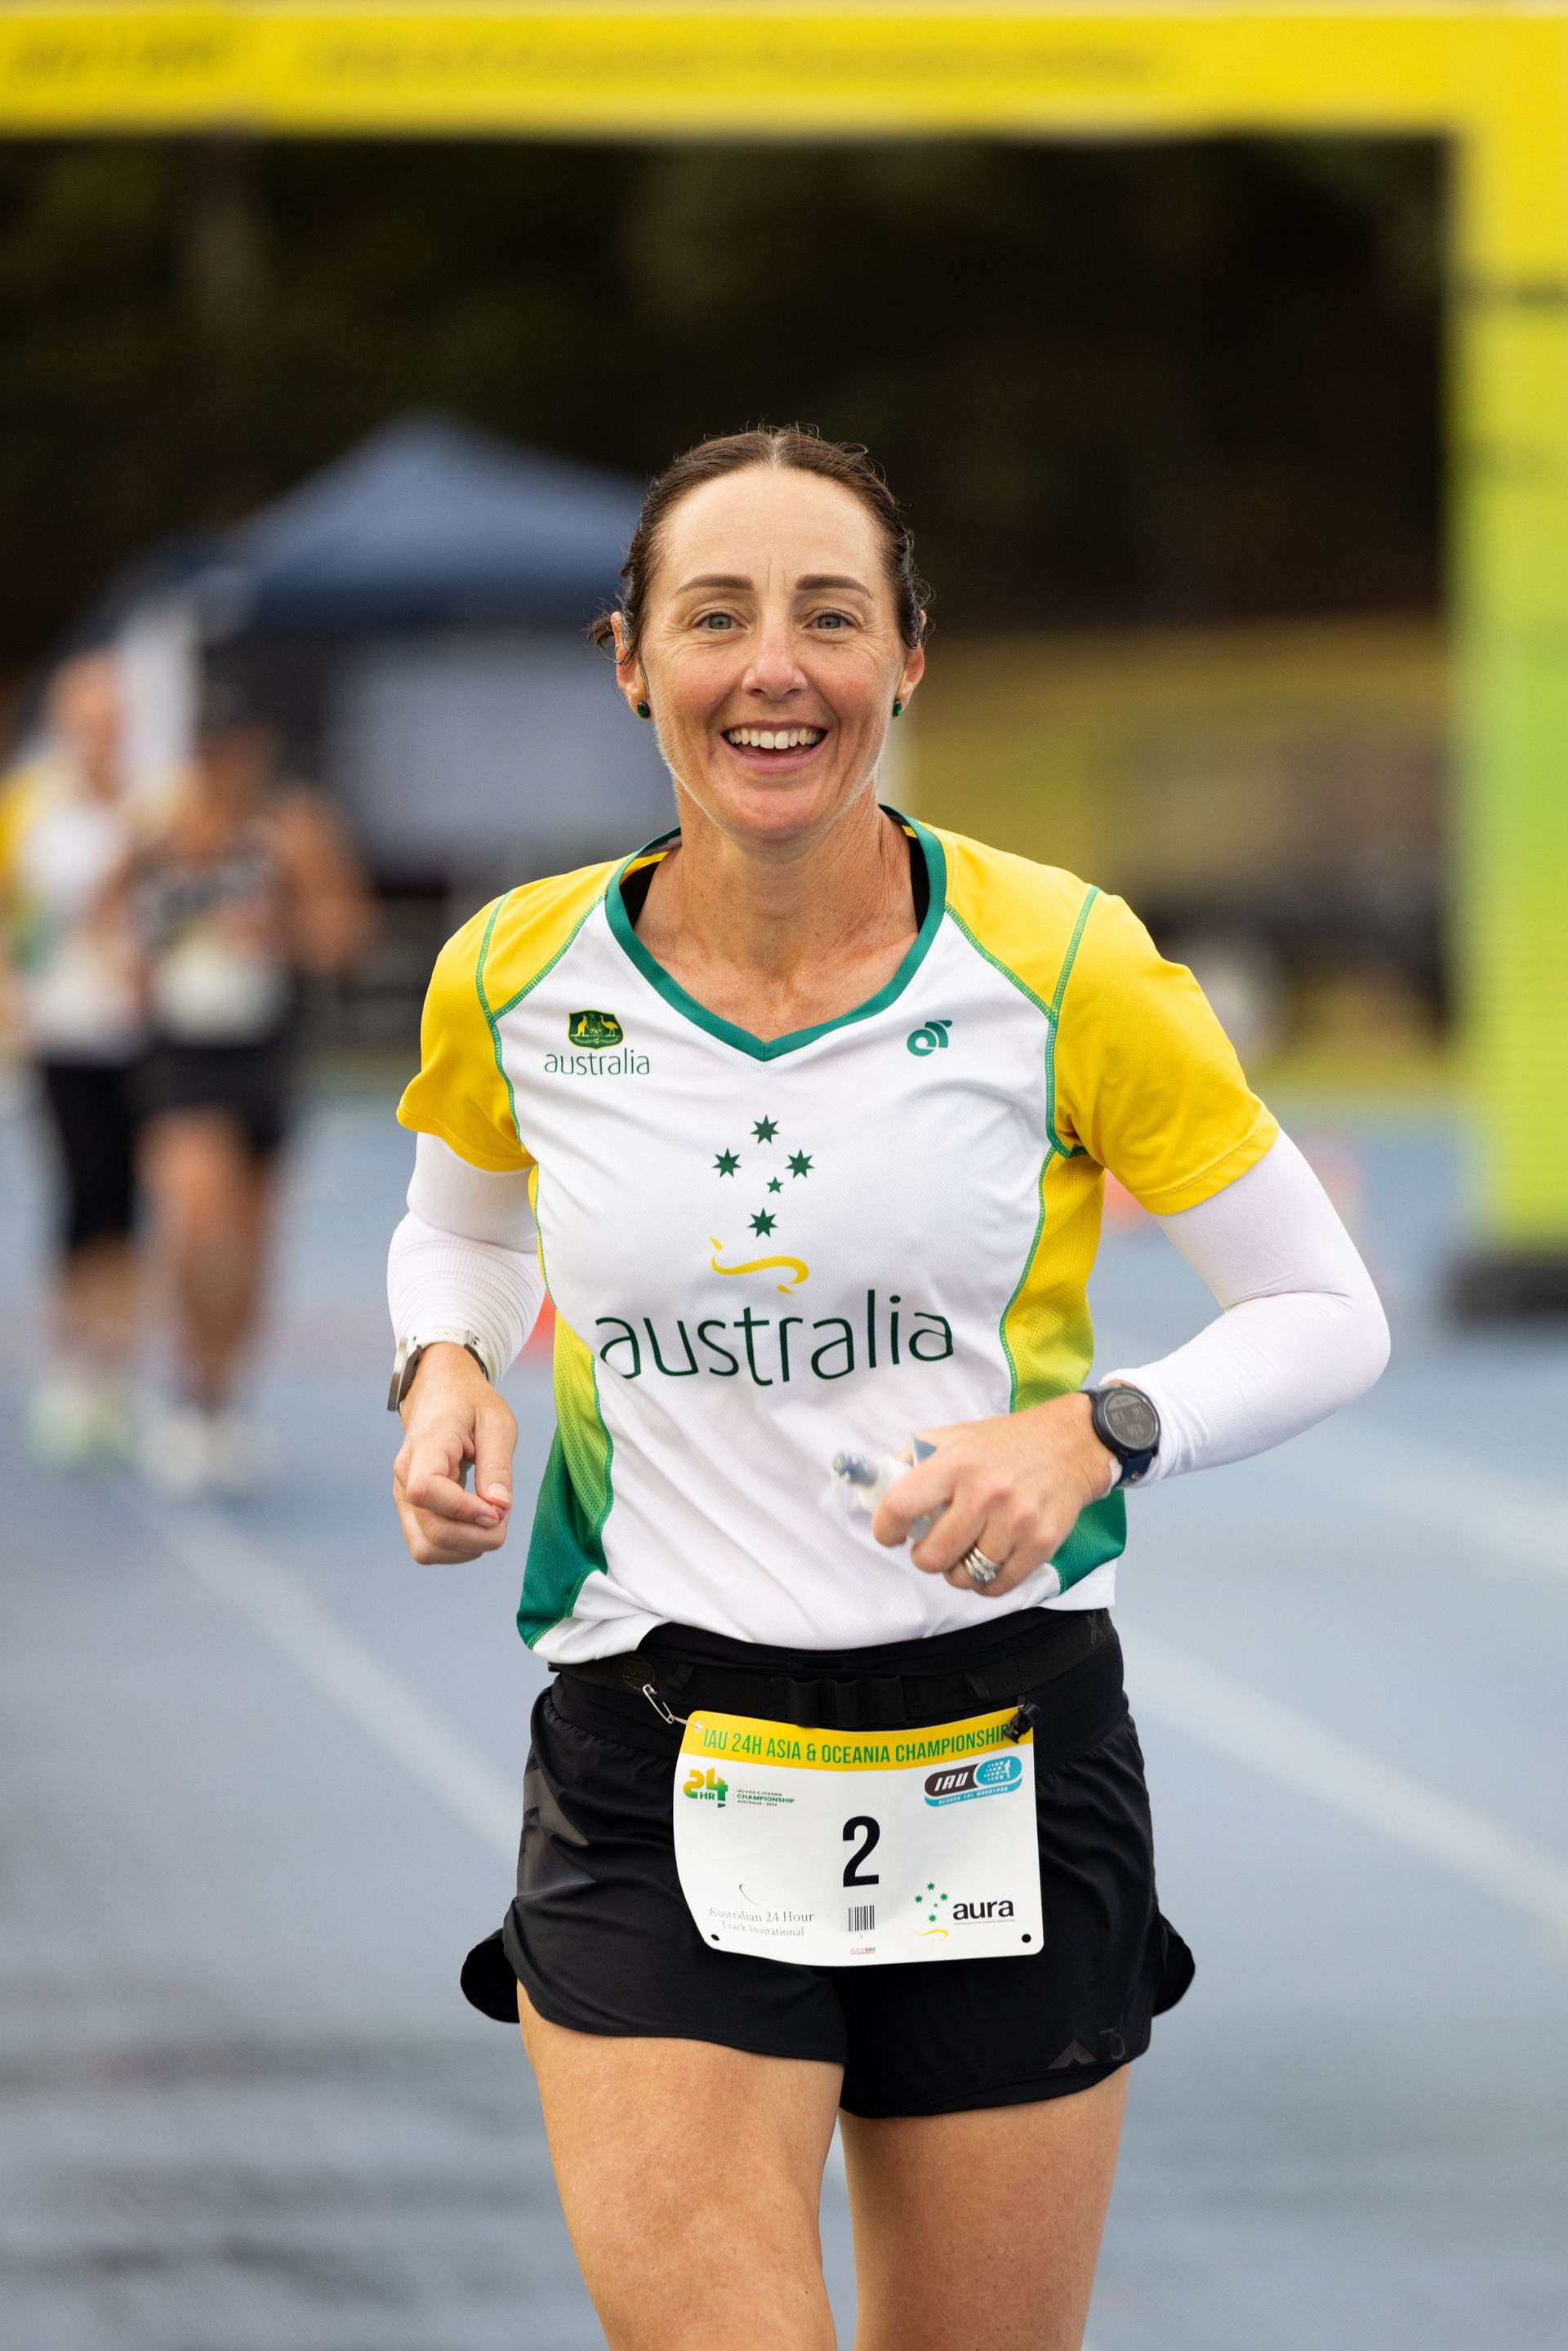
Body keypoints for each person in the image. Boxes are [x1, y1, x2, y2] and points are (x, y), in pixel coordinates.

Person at [386, 428, 1389, 2351]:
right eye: (717, 616)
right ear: (631, 660)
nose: (774, 666)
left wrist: (1096, 1429)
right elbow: (462, 1228)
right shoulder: (515, 973)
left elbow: (1324, 1308)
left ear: (907, 657)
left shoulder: (1064, 961)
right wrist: (446, 1364)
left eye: (829, 616)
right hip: (654, 1753)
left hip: (1006, 1744)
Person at [126, 678, 372, 1492]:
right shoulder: (159, 829)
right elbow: (110, 918)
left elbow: (346, 936)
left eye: (237, 752)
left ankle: (222, 1394)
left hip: (266, 1050)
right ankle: (190, 1379)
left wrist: (284, 925)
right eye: (209, 753)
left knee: (252, 1240)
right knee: (195, 1219)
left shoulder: (293, 828)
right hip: (181, 1053)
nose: (224, 767)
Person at [0, 651, 146, 1464]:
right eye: (88, 720)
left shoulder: (152, 804)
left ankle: (115, 1366)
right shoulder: (31, 806)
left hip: (143, 1033)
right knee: (79, 1191)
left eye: (112, 719)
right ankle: (70, 1359)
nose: (101, 733)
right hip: (63, 1029)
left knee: (129, 1201)